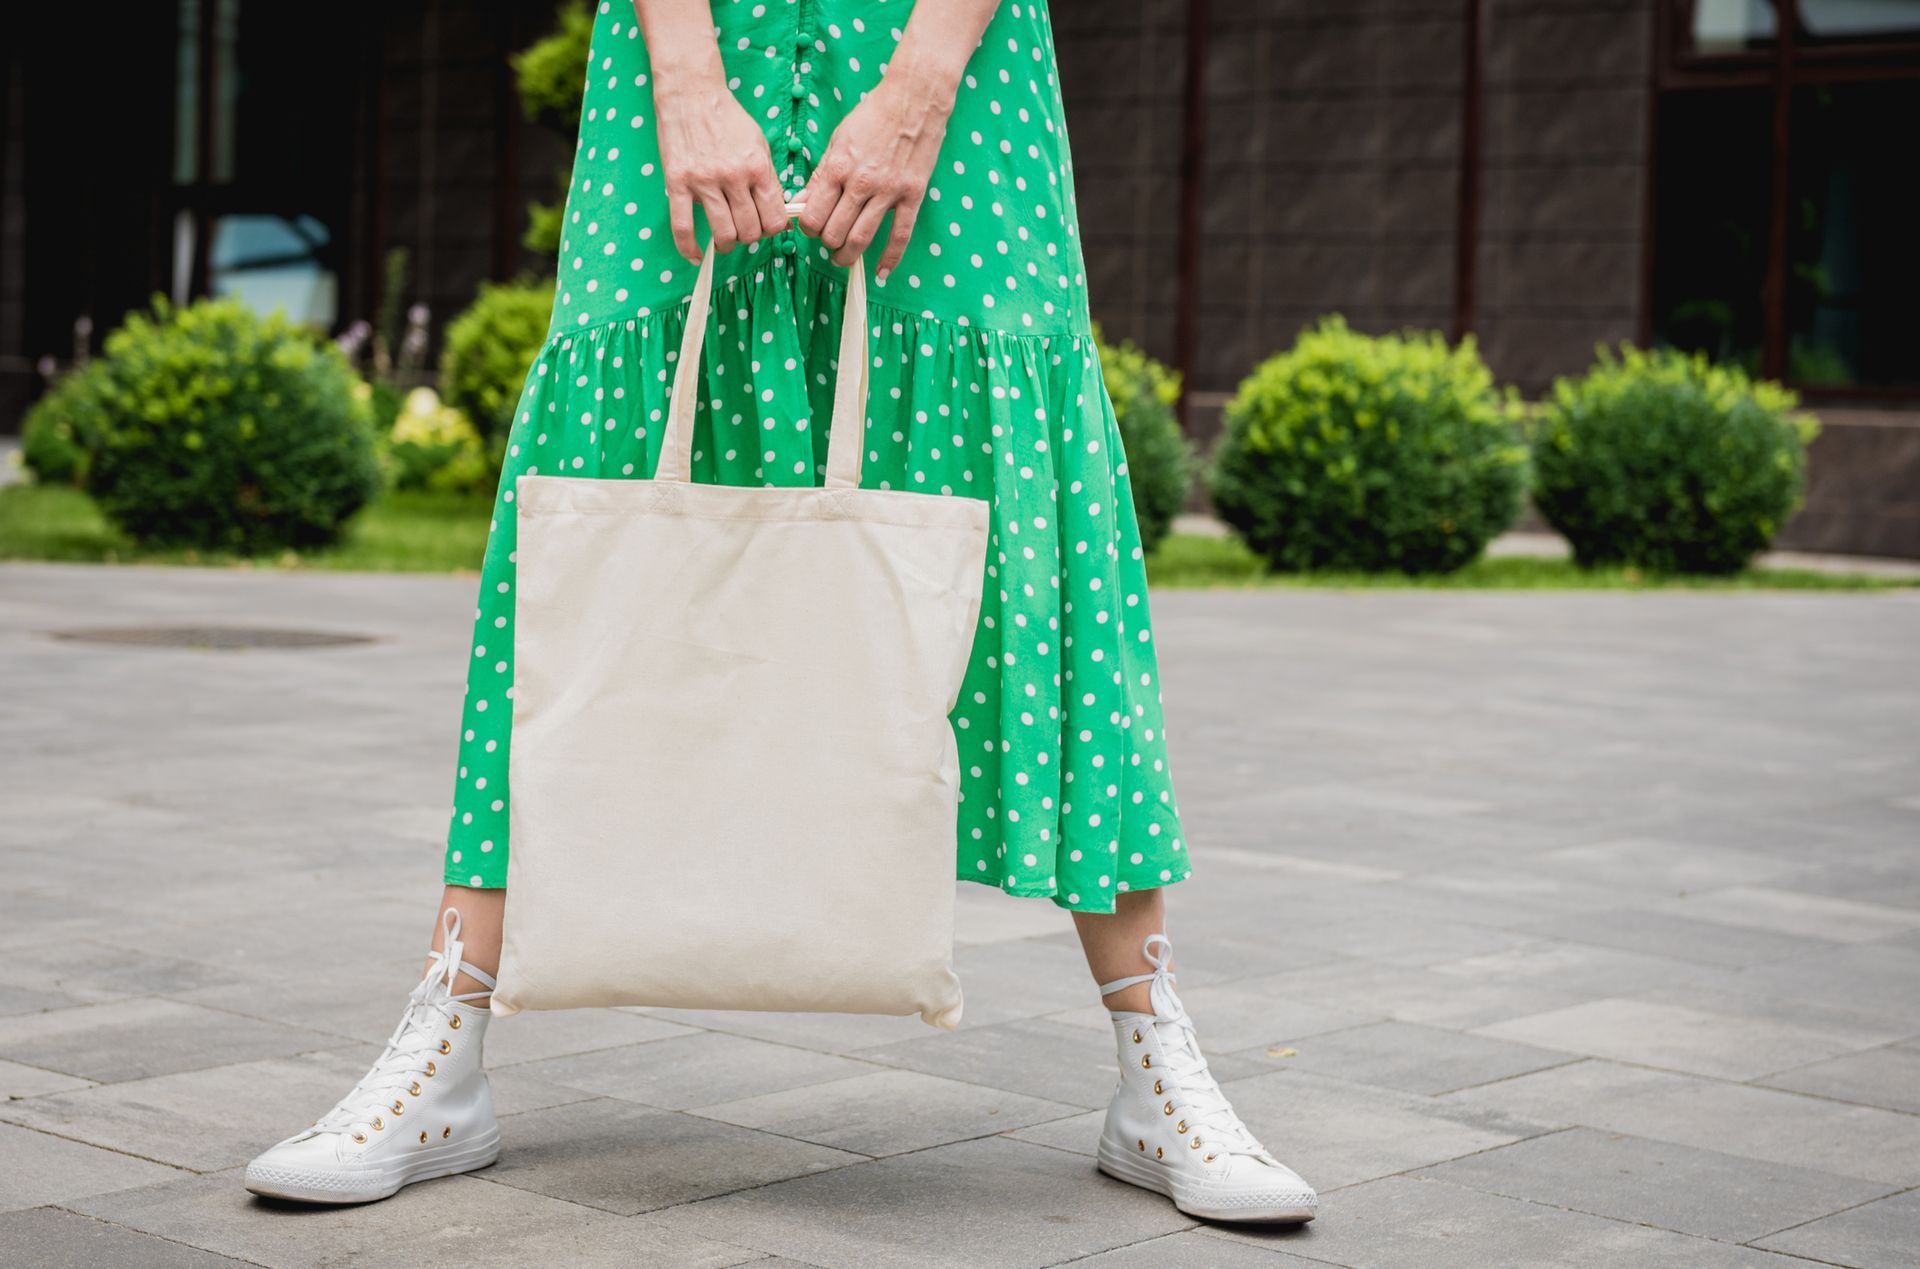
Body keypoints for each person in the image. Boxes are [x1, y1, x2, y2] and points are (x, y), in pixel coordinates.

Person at [244, 0, 1317, 1225]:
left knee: (1029, 545)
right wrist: (685, 71)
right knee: (591, 538)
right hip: (691, 51)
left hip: (958, 76)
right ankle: (447, 1039)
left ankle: (1153, 1063)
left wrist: (924, 80)